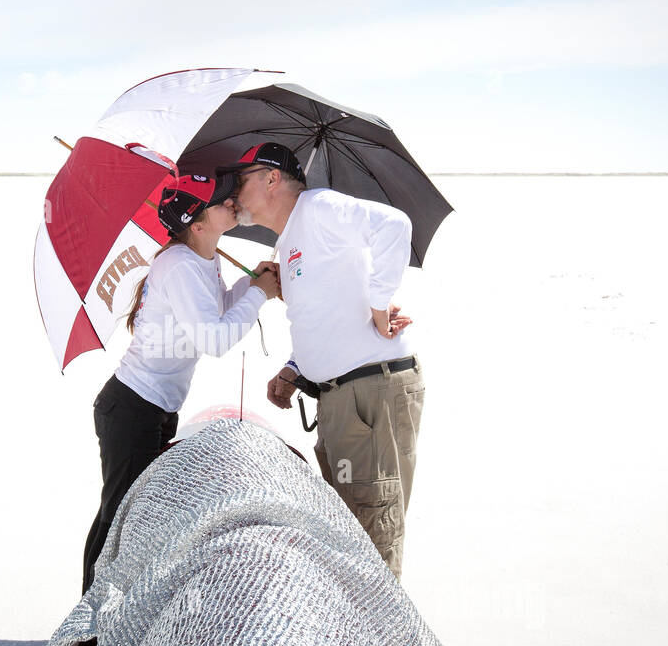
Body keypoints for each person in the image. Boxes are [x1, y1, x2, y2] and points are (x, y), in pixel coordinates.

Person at [218, 142, 422, 581]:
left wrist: (379, 306)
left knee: (369, 534)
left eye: (242, 180)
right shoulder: (289, 240)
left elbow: (394, 225)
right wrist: (295, 368)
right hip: (338, 400)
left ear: (272, 179)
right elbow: (319, 316)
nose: (234, 194)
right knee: (345, 528)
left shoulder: (319, 206)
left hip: (369, 391)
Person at [81, 172, 280, 595]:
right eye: (220, 200)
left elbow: (216, 312)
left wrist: (250, 282)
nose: (231, 201)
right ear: (197, 223)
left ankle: (117, 617)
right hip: (132, 407)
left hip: (155, 408)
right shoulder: (179, 265)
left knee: (139, 518)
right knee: (118, 520)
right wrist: (259, 294)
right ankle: (87, 631)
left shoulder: (204, 259)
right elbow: (216, 339)